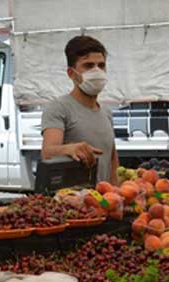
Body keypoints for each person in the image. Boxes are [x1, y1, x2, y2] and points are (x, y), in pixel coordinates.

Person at [42, 35, 118, 184]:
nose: (97, 71)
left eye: (101, 65)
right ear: (71, 74)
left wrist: (118, 192)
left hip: (103, 202)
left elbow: (112, 159)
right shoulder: (59, 108)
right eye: (88, 66)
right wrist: (69, 149)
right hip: (75, 203)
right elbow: (47, 152)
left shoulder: (106, 112)